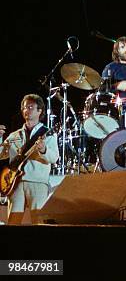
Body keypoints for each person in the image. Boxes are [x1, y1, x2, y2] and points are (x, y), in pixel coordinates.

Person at [0, 94, 59, 224]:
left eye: (31, 107)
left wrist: (43, 149)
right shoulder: (14, 135)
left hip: (38, 182)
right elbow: (1, 154)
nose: (27, 110)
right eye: (25, 107)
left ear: (40, 111)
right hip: (15, 183)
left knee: (39, 222)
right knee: (13, 222)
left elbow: (54, 158)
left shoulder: (47, 133)